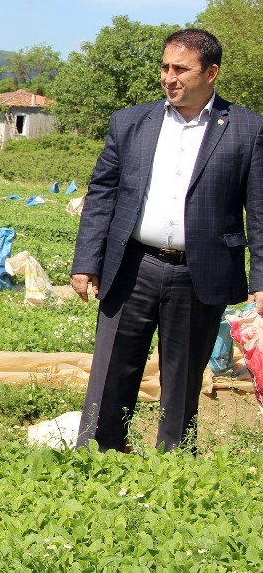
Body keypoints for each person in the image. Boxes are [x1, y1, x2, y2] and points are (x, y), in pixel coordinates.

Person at [72, 28, 263, 452]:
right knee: (111, 372)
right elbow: (102, 192)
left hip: (200, 273)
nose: (169, 77)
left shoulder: (247, 128)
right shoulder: (131, 121)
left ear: (211, 73)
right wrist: (87, 260)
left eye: (181, 69)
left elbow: (260, 210)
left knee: (182, 378)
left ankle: (173, 464)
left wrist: (260, 281)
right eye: (165, 67)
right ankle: (98, 455)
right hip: (133, 266)